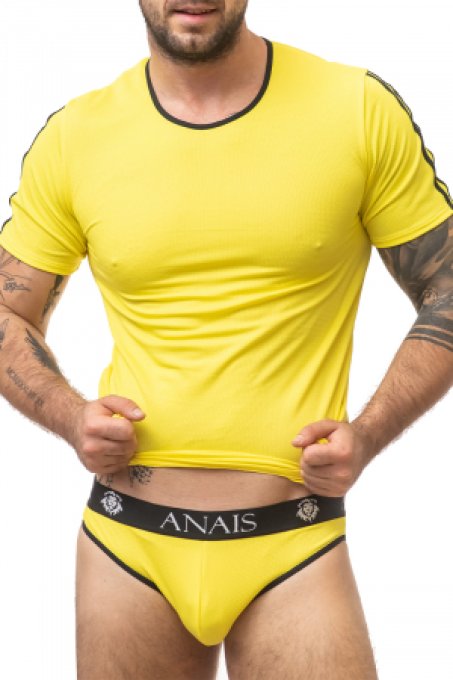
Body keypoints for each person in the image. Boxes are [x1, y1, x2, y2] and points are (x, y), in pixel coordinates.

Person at [0, 1, 452, 678]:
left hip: (296, 541)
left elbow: (446, 287)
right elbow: (8, 310)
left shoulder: (355, 108)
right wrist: (68, 417)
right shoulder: (76, 135)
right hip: (126, 544)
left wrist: (370, 432)